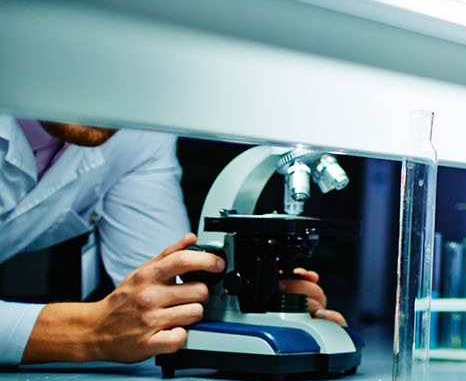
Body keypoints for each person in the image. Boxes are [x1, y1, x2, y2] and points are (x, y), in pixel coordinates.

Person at [1, 115, 345, 366]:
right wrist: (86, 331)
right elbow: (104, 328)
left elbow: (159, 293)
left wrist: (257, 302)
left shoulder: (135, 132)